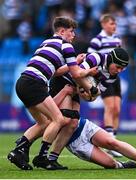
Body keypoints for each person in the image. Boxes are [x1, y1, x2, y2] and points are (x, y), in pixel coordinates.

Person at [7, 16, 98, 170]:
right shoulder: (66, 46)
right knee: (59, 119)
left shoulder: (46, 42)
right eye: (71, 31)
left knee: (44, 122)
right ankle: (42, 157)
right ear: (62, 31)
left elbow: (56, 72)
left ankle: (18, 150)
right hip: (35, 83)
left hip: (23, 82)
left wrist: (75, 61)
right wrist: (89, 76)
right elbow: (76, 75)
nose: (74, 35)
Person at [47, 47, 129, 167]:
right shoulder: (96, 58)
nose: (119, 70)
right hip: (62, 82)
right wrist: (88, 85)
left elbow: (93, 96)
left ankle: (52, 159)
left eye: (122, 68)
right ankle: (31, 149)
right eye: (117, 67)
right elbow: (76, 75)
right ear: (111, 60)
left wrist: (87, 93)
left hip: (74, 90)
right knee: (58, 120)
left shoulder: (112, 77)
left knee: (73, 123)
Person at [64, 109, 136, 170]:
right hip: (73, 140)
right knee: (110, 164)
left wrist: (90, 91)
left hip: (83, 126)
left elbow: (89, 97)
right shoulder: (53, 91)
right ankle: (120, 165)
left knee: (112, 142)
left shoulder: (66, 82)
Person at [87, 14, 123, 157]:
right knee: (110, 107)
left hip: (116, 77)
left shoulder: (117, 39)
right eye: (111, 24)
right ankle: (110, 142)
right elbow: (90, 57)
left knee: (117, 109)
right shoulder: (97, 40)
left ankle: (113, 140)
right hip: (104, 77)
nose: (114, 26)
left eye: (115, 24)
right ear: (103, 24)